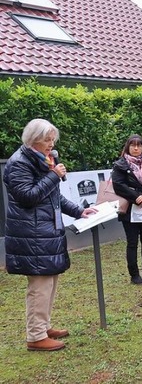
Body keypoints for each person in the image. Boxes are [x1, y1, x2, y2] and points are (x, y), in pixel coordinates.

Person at [3, 118, 97, 351]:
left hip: (45, 231)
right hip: (31, 233)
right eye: (47, 139)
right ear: (33, 139)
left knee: (50, 281)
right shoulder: (19, 163)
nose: (51, 143)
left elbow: (53, 196)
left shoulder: (43, 161)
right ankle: (35, 336)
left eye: (53, 139)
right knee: (40, 285)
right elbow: (27, 196)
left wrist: (78, 210)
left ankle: (43, 327)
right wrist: (53, 175)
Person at [111, 134, 142, 284]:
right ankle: (134, 275)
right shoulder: (120, 165)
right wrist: (135, 196)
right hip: (129, 208)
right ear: (128, 147)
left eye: (139, 145)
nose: (136, 148)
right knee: (132, 242)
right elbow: (118, 185)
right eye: (133, 145)